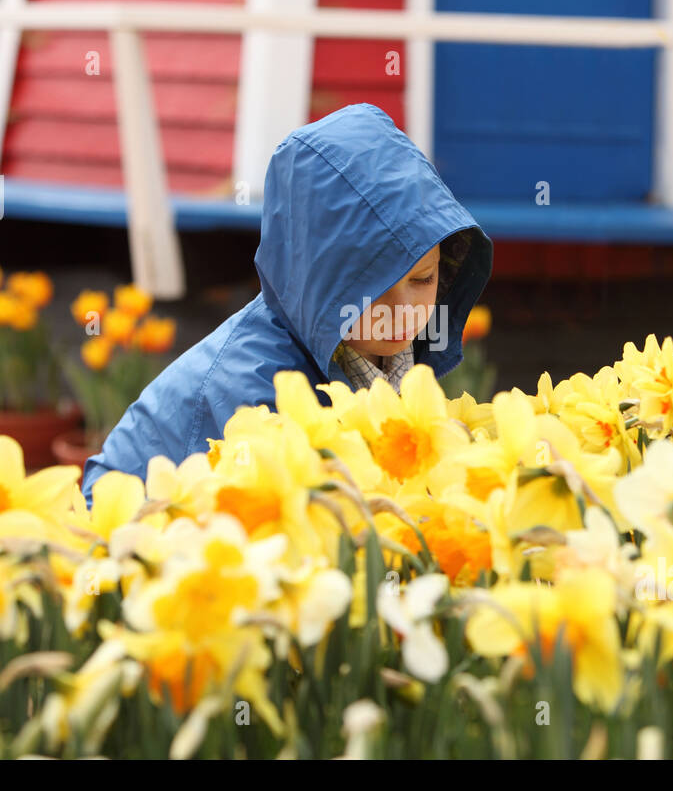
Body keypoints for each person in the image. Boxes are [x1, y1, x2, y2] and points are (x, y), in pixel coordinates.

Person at [81, 102, 493, 507]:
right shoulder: (253, 396)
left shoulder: (383, 349)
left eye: (423, 279)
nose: (402, 311)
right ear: (319, 283)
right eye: (373, 289)